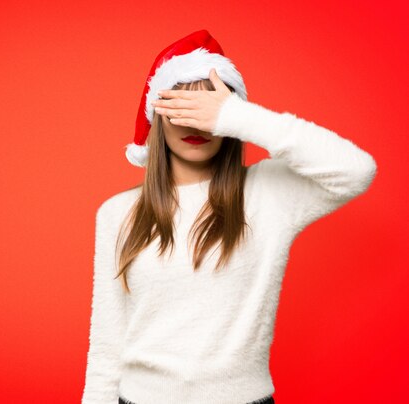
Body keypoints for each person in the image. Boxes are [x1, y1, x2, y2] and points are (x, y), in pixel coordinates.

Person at [81, 30, 377, 404]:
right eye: (179, 106)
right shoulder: (117, 214)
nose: (195, 123)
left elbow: (356, 170)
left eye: (207, 110)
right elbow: (107, 346)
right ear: (156, 115)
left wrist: (239, 116)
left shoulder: (267, 193)